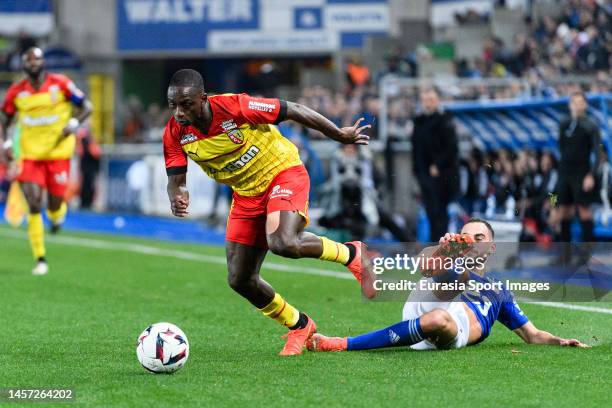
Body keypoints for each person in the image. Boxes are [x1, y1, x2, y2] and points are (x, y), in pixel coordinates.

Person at [162, 69, 376, 356]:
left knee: (284, 243)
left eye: (185, 104)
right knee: (240, 279)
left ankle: (351, 254)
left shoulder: (235, 106)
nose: (178, 112)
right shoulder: (175, 132)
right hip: (246, 194)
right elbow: (176, 180)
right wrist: (177, 195)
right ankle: (299, 325)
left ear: (203, 98)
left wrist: (337, 134)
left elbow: (293, 109)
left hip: (282, 173)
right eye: (173, 105)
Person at [307, 218, 590, 352]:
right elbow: (422, 266)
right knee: (443, 269)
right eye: (464, 236)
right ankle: (443, 254)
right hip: (426, 299)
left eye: (477, 238)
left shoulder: (499, 290)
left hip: (451, 328)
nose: (471, 241)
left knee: (442, 312)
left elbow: (532, 335)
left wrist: (559, 340)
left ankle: (342, 343)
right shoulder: (456, 267)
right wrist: (442, 252)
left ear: (491, 247)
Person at [0, 47, 92, 275]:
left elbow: (86, 107)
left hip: (57, 154)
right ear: (23, 65)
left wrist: (73, 123)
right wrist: (7, 143)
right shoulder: (16, 92)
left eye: (37, 59)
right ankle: (40, 258)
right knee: (33, 202)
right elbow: (6, 118)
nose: (33, 63)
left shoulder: (60, 84)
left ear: (43, 63)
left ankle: (56, 216)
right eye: (28, 60)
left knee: (54, 203)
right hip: (30, 155)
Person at [556, 91, 602, 262]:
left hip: (582, 172)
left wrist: (591, 175)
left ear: (585, 105)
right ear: (570, 105)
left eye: (580, 102)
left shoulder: (590, 125)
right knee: (563, 211)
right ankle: (565, 254)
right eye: (573, 102)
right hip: (565, 172)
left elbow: (598, 154)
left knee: (583, 211)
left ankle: (586, 255)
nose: (576, 105)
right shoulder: (564, 123)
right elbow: (560, 147)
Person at [411, 88, 459, 241]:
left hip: (441, 174)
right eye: (425, 100)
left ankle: (441, 244)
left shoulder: (445, 120)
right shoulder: (419, 121)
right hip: (424, 173)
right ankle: (433, 243)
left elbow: (451, 147)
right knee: (430, 211)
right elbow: (416, 147)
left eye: (431, 99)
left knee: (440, 211)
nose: (428, 103)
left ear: (438, 101)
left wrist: (438, 165)